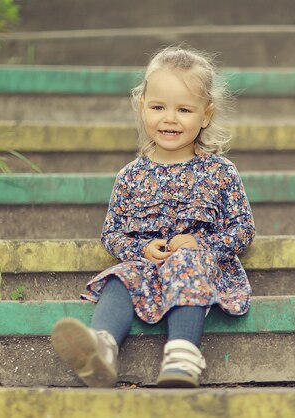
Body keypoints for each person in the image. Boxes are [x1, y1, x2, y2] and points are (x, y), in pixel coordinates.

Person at [50, 46, 255, 388]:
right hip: (148, 269)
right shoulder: (130, 176)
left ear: (206, 114)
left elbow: (243, 230)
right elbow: (112, 235)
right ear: (141, 107)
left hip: (199, 268)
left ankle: (182, 354)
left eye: (184, 109)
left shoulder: (220, 172)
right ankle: (102, 348)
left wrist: (201, 242)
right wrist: (142, 251)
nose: (169, 118)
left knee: (187, 262)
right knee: (119, 277)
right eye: (158, 107)